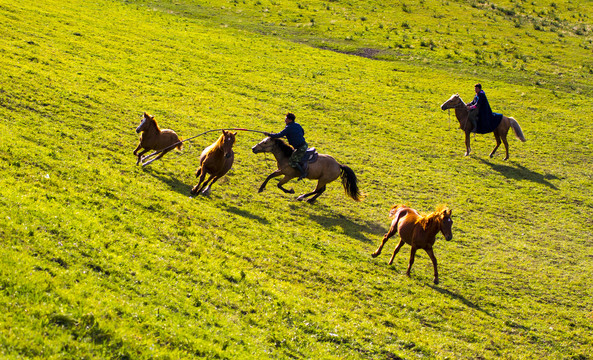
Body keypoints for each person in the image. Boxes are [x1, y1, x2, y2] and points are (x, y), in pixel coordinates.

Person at [264, 112, 308, 180]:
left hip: (300, 148)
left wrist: (269, 134)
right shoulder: (297, 125)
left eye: (286, 119)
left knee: (293, 160)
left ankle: (303, 173)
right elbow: (302, 132)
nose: (285, 120)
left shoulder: (289, 127)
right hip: (303, 145)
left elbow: (279, 135)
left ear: (290, 120)